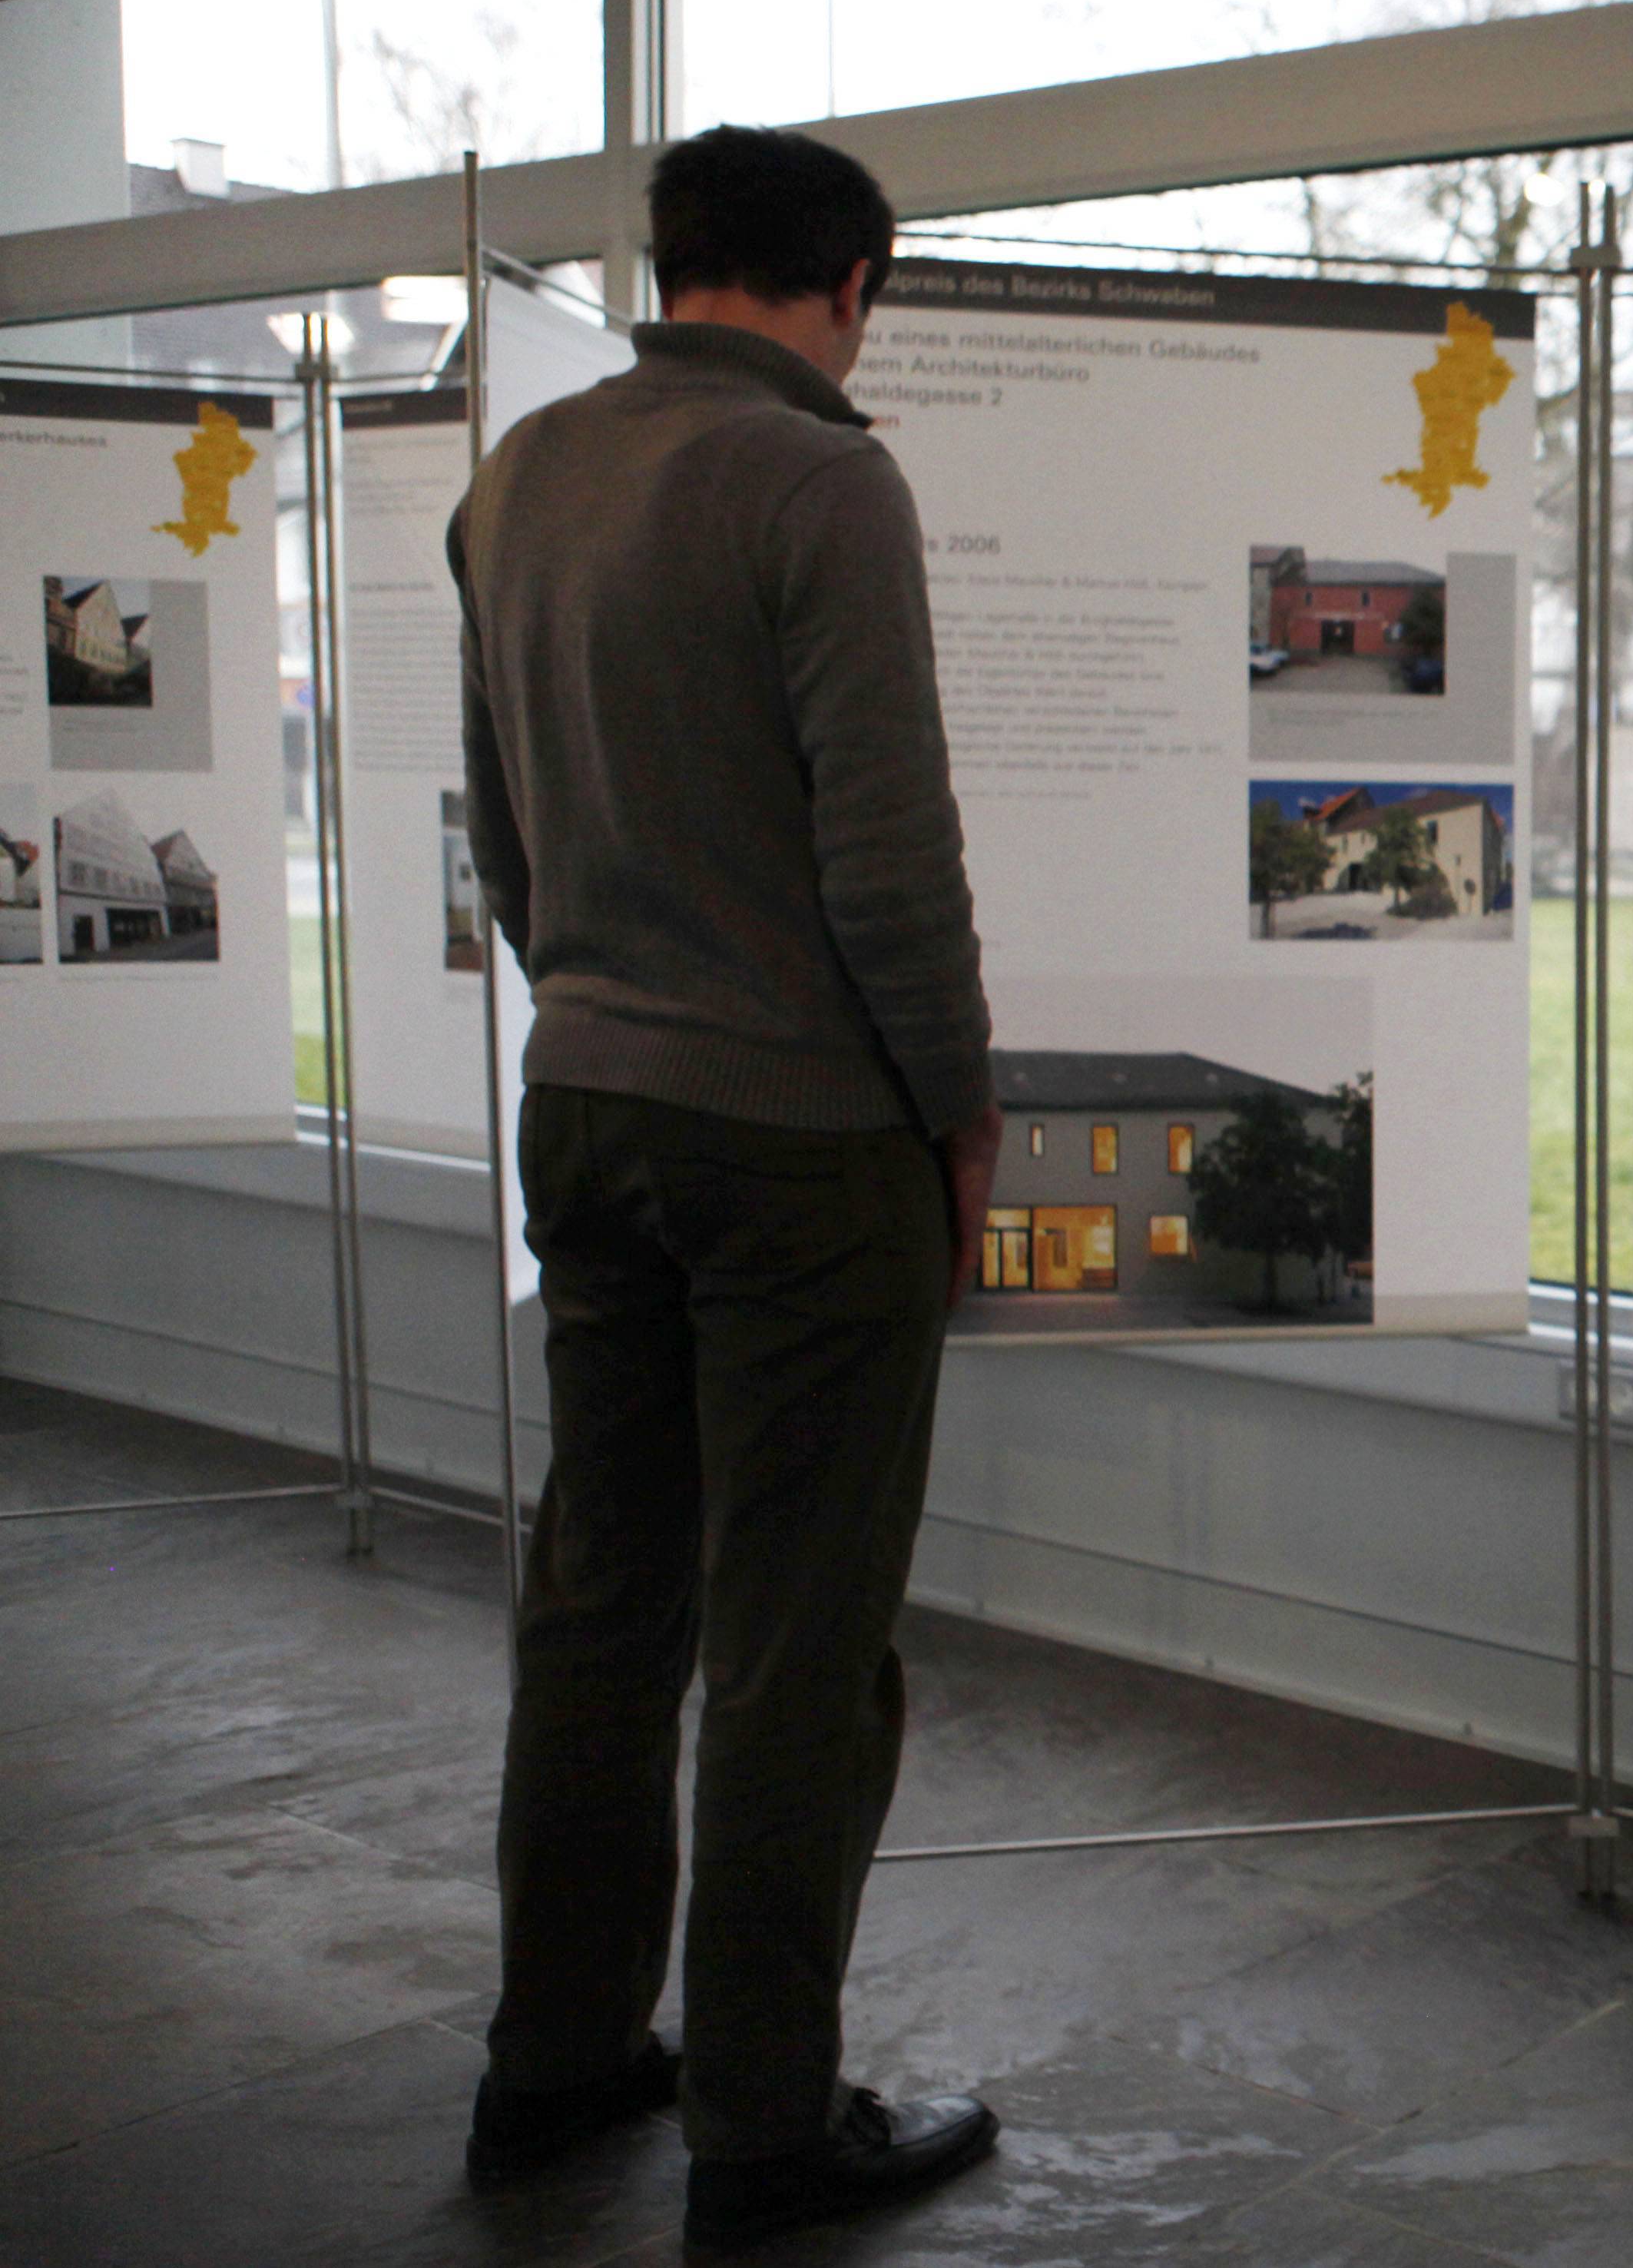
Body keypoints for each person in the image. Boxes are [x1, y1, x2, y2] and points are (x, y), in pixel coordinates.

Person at [450, 124, 1005, 2251]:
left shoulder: (524, 481)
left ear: (672, 264)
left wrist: (603, 996)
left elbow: (500, 837)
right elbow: (890, 859)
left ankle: (556, 2056)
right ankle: (767, 2119)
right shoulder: (822, 479)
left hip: (583, 1097)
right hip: (801, 1137)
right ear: (852, 278)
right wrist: (959, 1114)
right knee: (797, 1636)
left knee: (601, 1600)